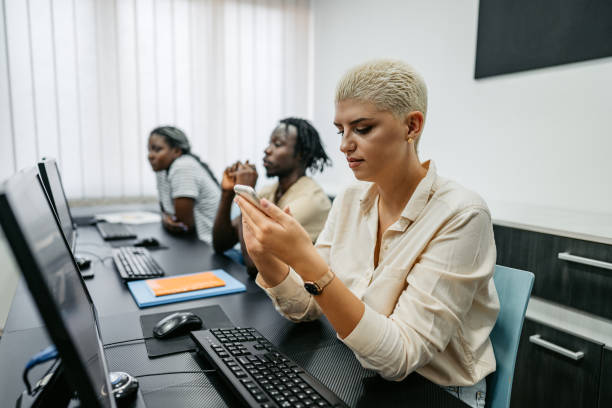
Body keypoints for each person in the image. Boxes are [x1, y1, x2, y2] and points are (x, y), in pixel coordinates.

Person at [235, 60, 499, 408]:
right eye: (340, 130)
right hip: (363, 370)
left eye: (362, 128)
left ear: (412, 126)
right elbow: (307, 307)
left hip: (437, 391)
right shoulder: (349, 199)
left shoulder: (462, 214)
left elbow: (400, 358)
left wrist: (305, 259)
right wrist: (265, 257)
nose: (345, 145)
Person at [212, 118, 332, 277]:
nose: (267, 150)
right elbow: (221, 243)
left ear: (301, 154)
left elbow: (255, 266)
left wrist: (244, 194)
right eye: (269, 143)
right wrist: (227, 194)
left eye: (277, 144)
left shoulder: (310, 201)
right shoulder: (270, 191)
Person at [148, 126, 221, 245]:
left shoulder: (183, 167)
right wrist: (165, 219)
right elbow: (166, 211)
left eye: (157, 150)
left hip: (208, 245)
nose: (150, 156)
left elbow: (182, 225)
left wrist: (166, 220)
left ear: (176, 151)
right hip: (191, 242)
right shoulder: (162, 169)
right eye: (150, 150)